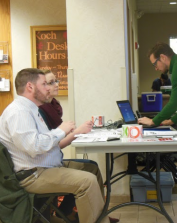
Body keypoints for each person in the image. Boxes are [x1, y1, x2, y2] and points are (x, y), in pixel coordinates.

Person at [0, 68, 111, 223]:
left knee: (91, 169)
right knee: (87, 181)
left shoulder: (31, 109)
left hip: (44, 167)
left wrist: (65, 133)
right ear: (30, 87)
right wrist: (60, 132)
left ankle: (94, 217)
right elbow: (33, 146)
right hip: (33, 175)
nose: (48, 88)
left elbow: (41, 141)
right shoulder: (19, 112)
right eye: (44, 84)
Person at [38, 70, 119, 223]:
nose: (56, 84)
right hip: (47, 165)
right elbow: (53, 145)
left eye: (56, 81)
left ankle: (93, 214)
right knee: (86, 176)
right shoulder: (41, 110)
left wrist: (76, 131)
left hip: (54, 161)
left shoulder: (53, 107)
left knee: (92, 167)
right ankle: (73, 214)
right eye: (50, 82)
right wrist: (77, 132)